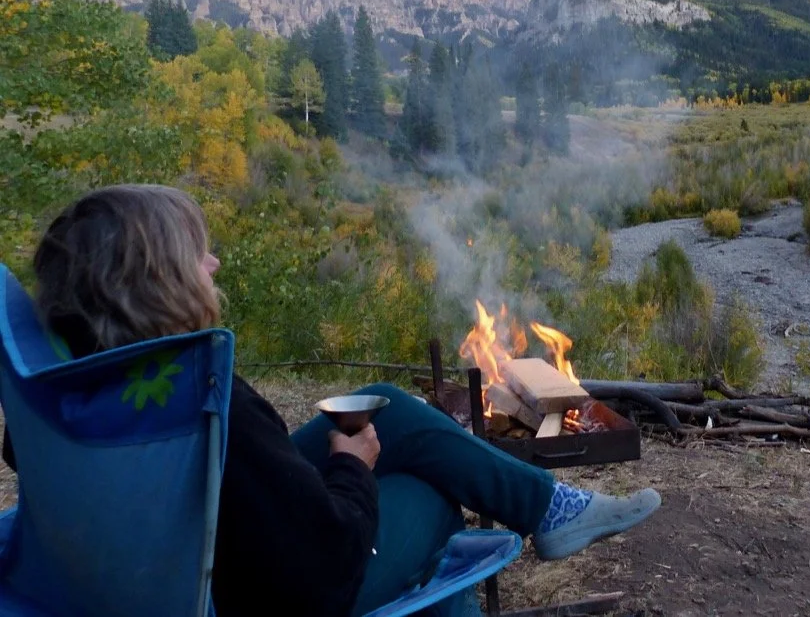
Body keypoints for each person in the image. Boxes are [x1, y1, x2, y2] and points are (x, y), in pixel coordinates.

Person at [1, 185, 660, 617]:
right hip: (256, 591)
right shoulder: (204, 397)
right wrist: (351, 467)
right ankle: (540, 512)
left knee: (378, 403)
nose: (214, 266)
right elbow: (322, 570)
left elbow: (241, 492)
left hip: (184, 548)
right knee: (432, 493)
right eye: (198, 255)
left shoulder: (70, 394)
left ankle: (546, 507)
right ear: (157, 283)